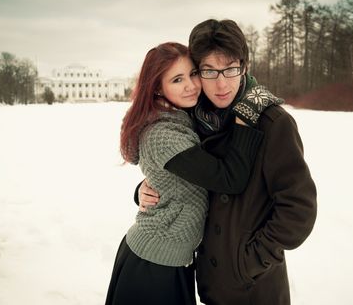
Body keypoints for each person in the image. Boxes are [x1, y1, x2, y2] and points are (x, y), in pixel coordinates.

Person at [138, 19, 317, 305]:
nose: (221, 84)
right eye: (209, 71)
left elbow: (299, 209)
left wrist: (248, 262)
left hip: (253, 289)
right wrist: (145, 188)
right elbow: (193, 175)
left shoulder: (273, 123)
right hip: (209, 284)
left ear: (245, 66)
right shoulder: (194, 120)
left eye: (231, 69)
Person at [105, 42, 279, 305]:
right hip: (152, 266)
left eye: (193, 74)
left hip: (173, 260)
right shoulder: (163, 134)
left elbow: (177, 176)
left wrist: (143, 186)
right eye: (177, 79)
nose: (191, 85)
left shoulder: (182, 117)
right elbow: (228, 179)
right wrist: (245, 120)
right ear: (156, 88)